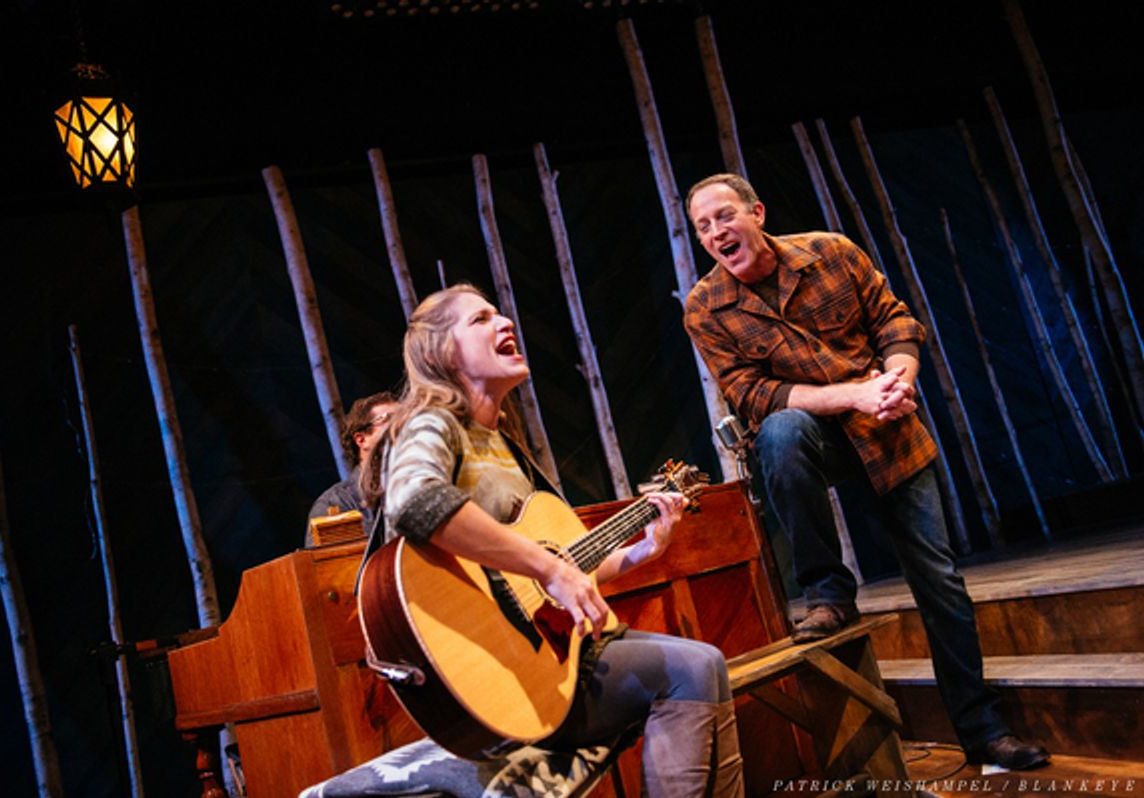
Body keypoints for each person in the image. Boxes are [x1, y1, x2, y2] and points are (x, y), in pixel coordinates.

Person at [681, 173, 1049, 771]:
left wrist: (897, 380)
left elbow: (894, 322)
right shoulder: (706, 308)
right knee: (778, 431)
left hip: (888, 430)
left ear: (757, 212)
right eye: (704, 226)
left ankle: (982, 730)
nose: (717, 232)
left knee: (940, 581)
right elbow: (752, 394)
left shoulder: (831, 252)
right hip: (814, 434)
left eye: (725, 216)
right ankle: (828, 592)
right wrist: (853, 395)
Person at [360, 284, 745, 797]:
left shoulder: (506, 447)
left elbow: (569, 564)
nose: (505, 324)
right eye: (480, 320)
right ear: (442, 351)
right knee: (691, 669)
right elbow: (414, 503)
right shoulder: (433, 423)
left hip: (558, 650)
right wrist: (546, 569)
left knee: (710, 665)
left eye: (501, 315)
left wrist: (642, 550)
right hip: (502, 671)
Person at [305, 391, 398, 547]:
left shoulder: (422, 483)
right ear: (361, 440)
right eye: (388, 419)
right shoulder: (335, 504)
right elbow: (332, 569)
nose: (402, 424)